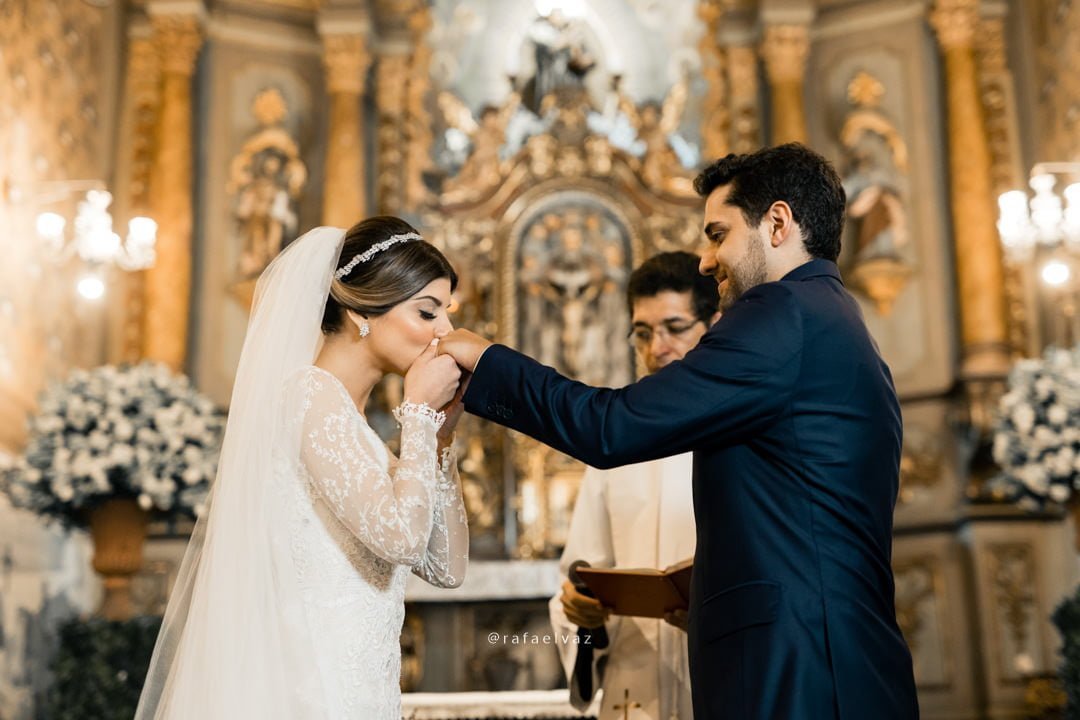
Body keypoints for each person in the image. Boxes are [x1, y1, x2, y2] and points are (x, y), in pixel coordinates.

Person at [439, 144, 919, 719]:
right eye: (642, 332)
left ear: (778, 223)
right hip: (829, 658)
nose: (706, 259)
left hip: (798, 668)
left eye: (718, 234)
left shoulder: (780, 314)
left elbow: (610, 428)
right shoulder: (834, 319)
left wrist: (487, 359)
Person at [136, 217, 470, 719]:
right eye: (428, 311)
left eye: (446, 313)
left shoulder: (355, 427)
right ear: (363, 310)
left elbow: (446, 568)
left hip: (363, 692)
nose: (444, 332)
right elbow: (401, 538)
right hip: (313, 690)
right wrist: (419, 413)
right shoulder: (308, 396)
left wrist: (440, 436)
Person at [551, 251, 718, 720]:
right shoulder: (615, 445)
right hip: (633, 692)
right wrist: (582, 615)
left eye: (674, 327)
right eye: (643, 333)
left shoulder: (742, 435)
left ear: (714, 323)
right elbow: (580, 575)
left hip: (718, 679)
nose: (656, 347)